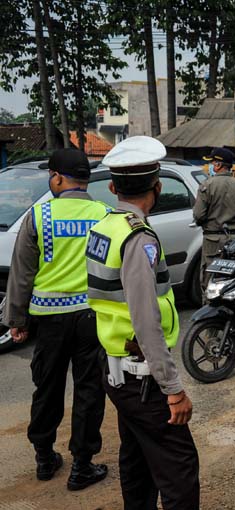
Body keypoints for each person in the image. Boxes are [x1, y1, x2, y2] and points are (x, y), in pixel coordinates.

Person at [86, 136, 233, 510]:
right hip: (143, 377)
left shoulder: (104, 228)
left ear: (112, 187)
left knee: (135, 461)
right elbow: (146, 318)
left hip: (115, 368)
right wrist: (173, 387)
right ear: (154, 186)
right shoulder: (137, 237)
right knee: (179, 470)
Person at [3, 148, 109, 490]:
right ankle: (82, 465)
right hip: (91, 317)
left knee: (47, 388)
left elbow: (22, 273)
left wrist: (16, 320)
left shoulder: (39, 215)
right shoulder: (103, 214)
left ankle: (45, 458)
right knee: (89, 389)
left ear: (58, 178)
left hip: (49, 319)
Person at [193, 147, 235, 292]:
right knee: (233, 282)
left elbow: (198, 215)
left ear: (218, 165)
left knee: (210, 283)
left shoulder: (206, 186)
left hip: (212, 242)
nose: (210, 167)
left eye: (212, 163)